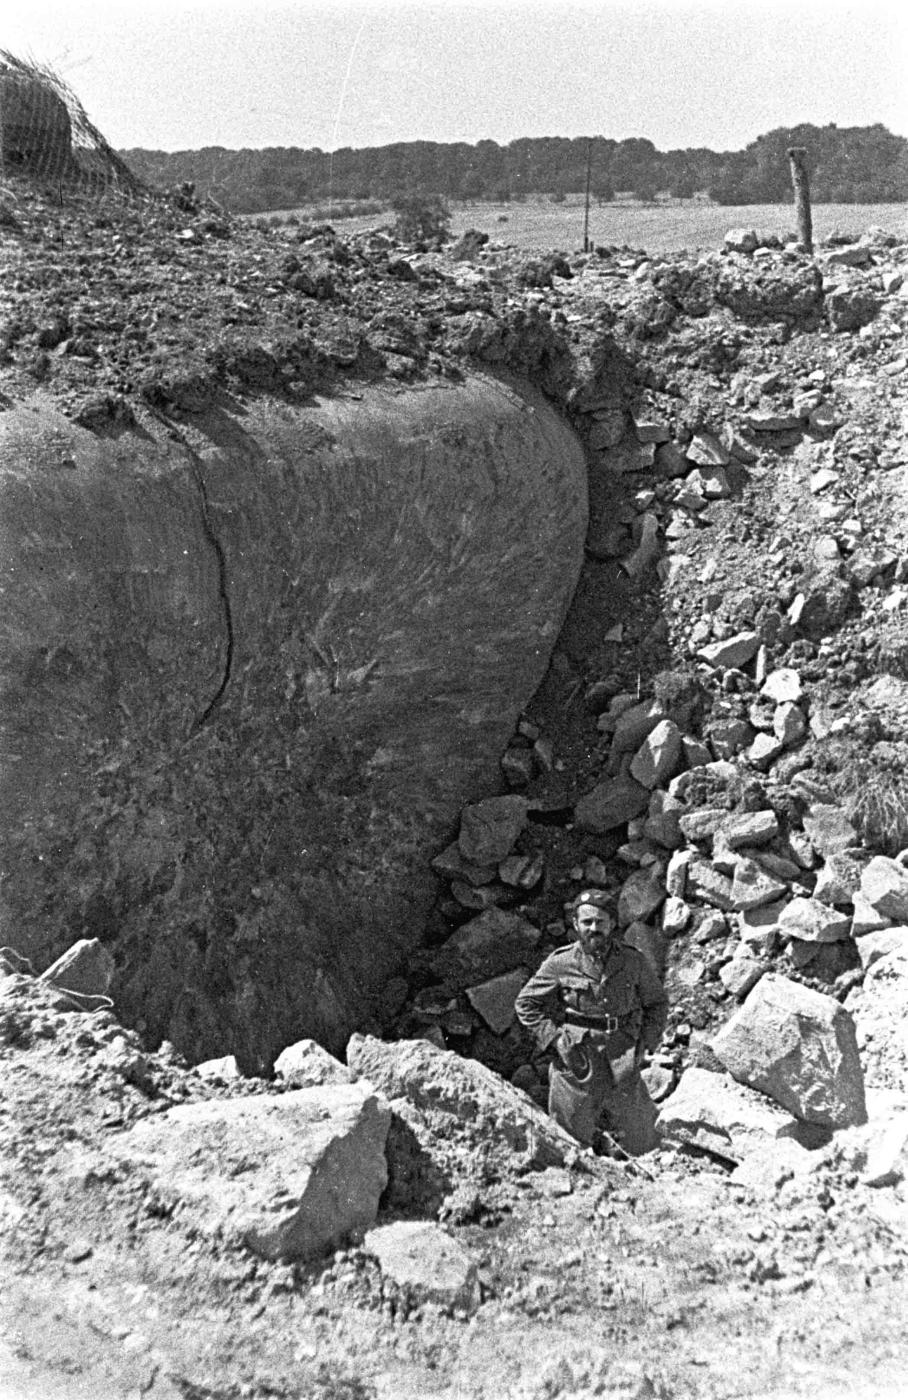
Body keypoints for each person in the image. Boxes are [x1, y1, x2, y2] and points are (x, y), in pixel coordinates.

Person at [514, 889, 668, 1155]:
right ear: (576, 925)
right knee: (567, 1142)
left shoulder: (633, 961)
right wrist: (554, 1039)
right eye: (586, 922)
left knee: (645, 1140)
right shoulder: (561, 963)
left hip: (622, 1054)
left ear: (612, 924)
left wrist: (645, 1043)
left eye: (600, 921)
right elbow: (525, 1003)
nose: (593, 928)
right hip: (577, 1056)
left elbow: (657, 1003)